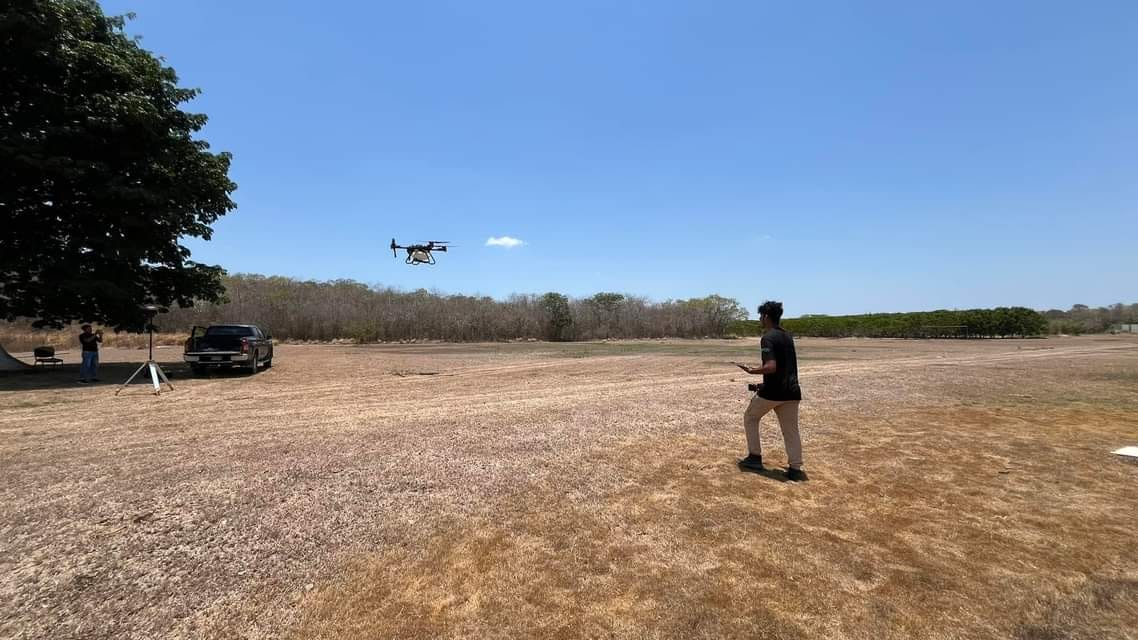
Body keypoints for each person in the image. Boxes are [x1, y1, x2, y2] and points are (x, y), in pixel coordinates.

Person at [737, 301, 807, 481]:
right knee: (791, 430)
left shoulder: (767, 338)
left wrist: (752, 371)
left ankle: (754, 457)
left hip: (773, 393)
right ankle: (796, 468)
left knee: (750, 417)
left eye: (761, 316)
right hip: (792, 391)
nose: (760, 319)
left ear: (766, 316)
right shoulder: (787, 336)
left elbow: (771, 367)